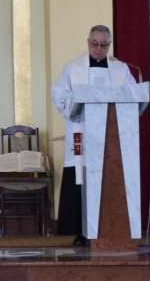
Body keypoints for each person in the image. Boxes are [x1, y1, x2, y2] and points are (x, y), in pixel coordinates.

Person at [50, 25, 135, 245]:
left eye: (104, 44)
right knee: (80, 183)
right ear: (88, 42)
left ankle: (112, 232)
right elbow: (59, 93)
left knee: (110, 181)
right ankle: (78, 233)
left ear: (110, 44)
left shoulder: (121, 69)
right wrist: (74, 107)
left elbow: (133, 94)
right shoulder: (73, 67)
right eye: (95, 44)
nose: (99, 48)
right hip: (83, 133)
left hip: (112, 137)